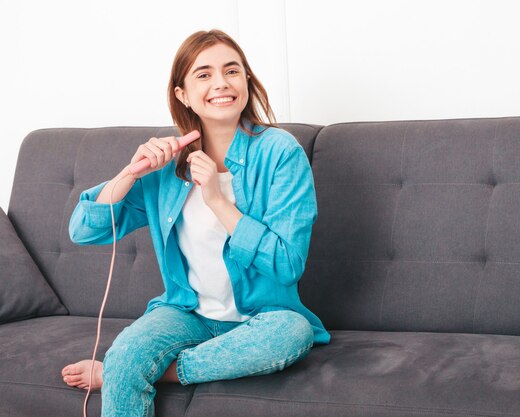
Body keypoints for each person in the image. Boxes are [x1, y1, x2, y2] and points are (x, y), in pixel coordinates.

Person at [60, 29, 330, 416]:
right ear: (182, 94)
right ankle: (126, 365)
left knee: (293, 334)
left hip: (265, 318)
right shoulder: (168, 162)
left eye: (232, 71)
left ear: (246, 81)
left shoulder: (281, 153)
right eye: (204, 74)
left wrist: (219, 202)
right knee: (128, 349)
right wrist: (130, 174)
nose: (221, 83)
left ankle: (148, 372)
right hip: (186, 314)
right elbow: (83, 231)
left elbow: (287, 265)